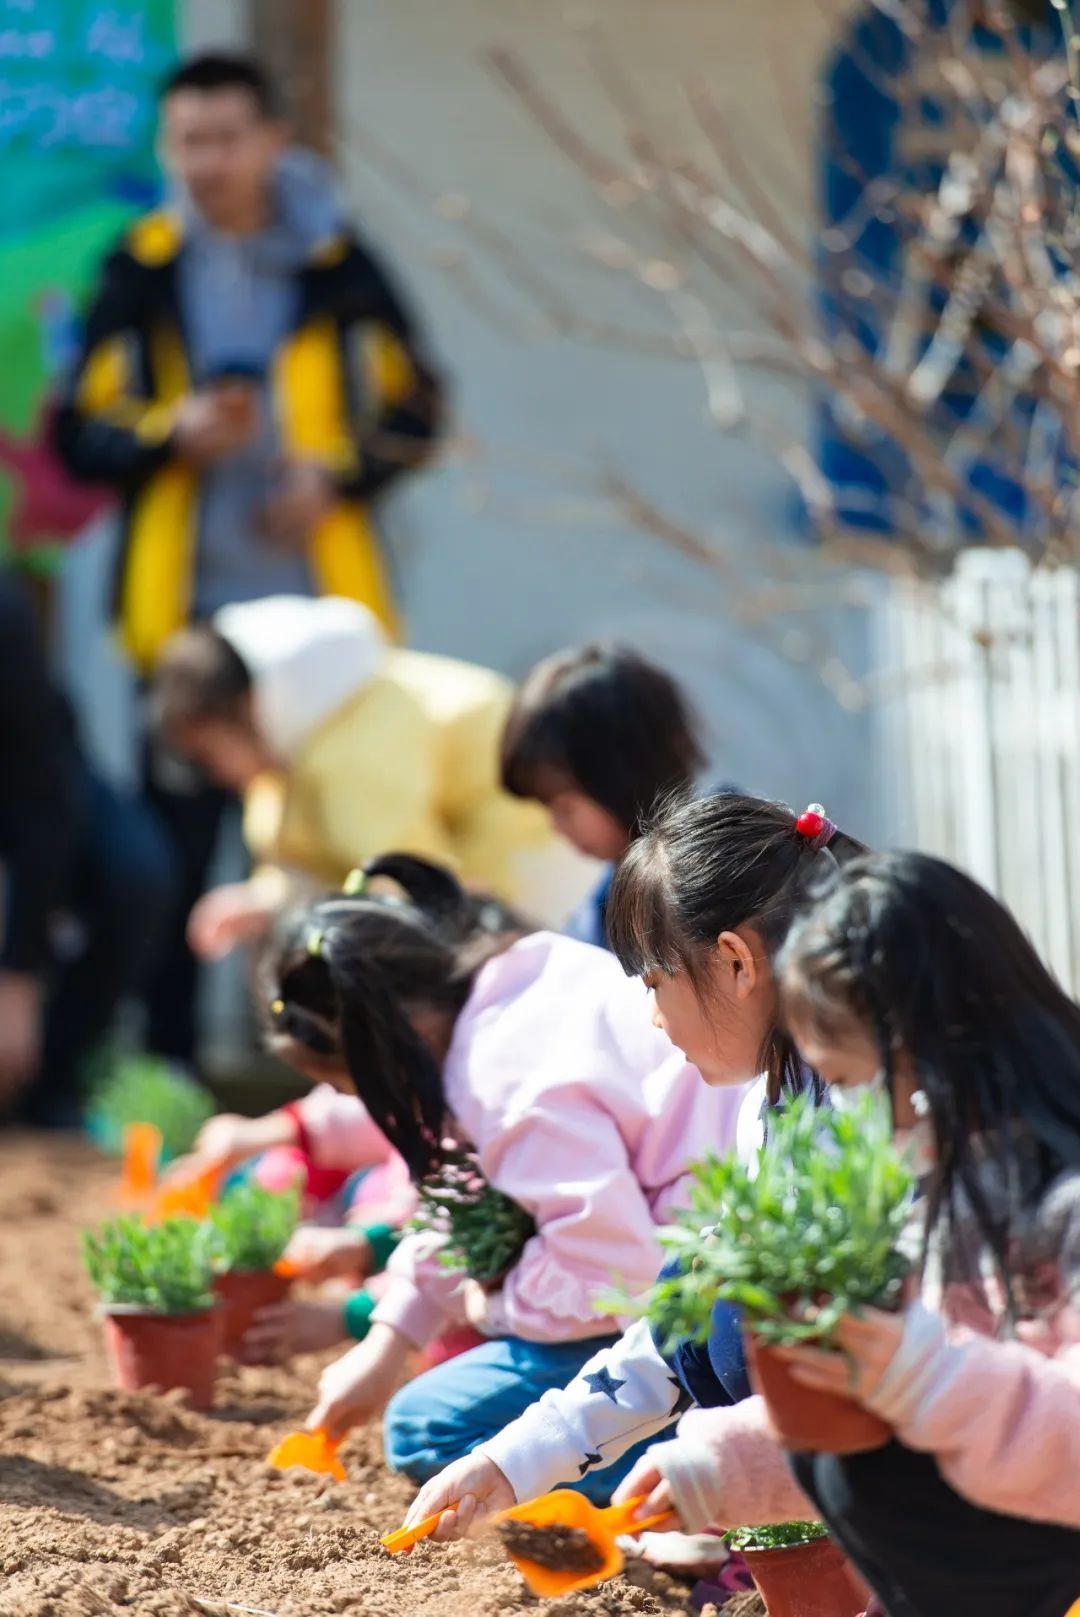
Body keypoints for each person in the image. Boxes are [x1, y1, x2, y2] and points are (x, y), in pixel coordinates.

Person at [54, 51, 444, 1064]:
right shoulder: (138, 268)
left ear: (274, 141)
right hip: (180, 631)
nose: (208, 161)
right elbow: (76, 433)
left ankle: (358, 1070)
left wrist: (337, 478)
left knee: (340, 859)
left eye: (227, 138)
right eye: (188, 142)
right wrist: (168, 434)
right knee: (171, 872)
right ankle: (174, 1079)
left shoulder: (336, 263)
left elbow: (417, 406)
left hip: (325, 642)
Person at [401, 794, 863, 1542]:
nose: (653, 1018)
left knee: (736, 1318)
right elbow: (675, 1324)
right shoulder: (774, 1099)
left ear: (736, 961)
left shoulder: (871, 1115)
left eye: (655, 983)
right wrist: (514, 1459)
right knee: (713, 1303)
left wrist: (715, 1472)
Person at [258, 851, 751, 1500]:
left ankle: (703, 1460)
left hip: (704, 1311)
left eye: (348, 1082)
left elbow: (613, 1273)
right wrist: (387, 1340)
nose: (361, 1103)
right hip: (702, 1277)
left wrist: (485, 1299)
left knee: (425, 1427)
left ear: (383, 1044)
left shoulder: (510, 1087)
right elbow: (470, 1197)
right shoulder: (523, 972)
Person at [765, 852, 1080, 1617]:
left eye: (845, 1082)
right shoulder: (951, 1182)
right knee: (830, 1444)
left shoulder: (1064, 1195)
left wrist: (929, 1377)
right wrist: (706, 1470)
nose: (845, 1116)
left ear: (933, 1043)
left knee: (874, 1472)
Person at [150, 594, 572, 960]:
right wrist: (266, 899)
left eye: (209, 754)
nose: (213, 773)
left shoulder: (353, 755)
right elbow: (326, 862)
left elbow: (412, 888)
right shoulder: (307, 733)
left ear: (247, 710)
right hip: (489, 873)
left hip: (529, 868)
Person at [0, 568, 173, 1126]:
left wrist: (18, 981)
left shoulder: (6, 610)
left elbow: (41, 808)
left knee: (136, 873)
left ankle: (52, 1081)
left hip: (32, 782)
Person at [500, 644, 707, 949]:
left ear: (624, 778)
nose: (556, 827)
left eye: (566, 808)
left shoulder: (741, 858)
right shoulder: (603, 912)